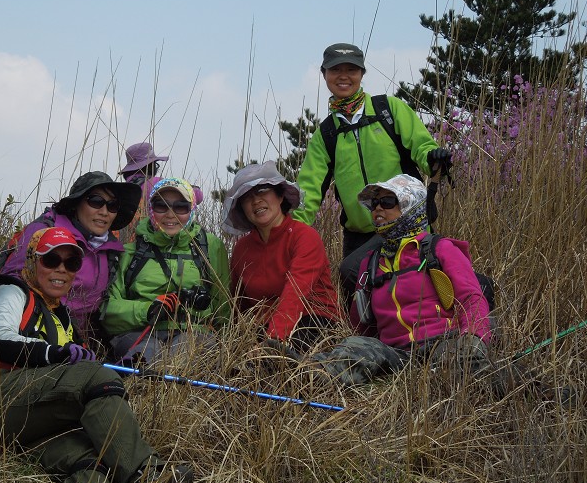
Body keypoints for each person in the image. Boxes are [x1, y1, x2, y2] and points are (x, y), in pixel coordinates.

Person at [0, 227, 193, 483]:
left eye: (71, 263)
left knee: (86, 457)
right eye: (50, 260)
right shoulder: (11, 292)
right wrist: (55, 353)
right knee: (97, 376)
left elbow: (80, 368)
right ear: (31, 261)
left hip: (31, 420)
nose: (61, 269)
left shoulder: (61, 317)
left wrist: (117, 365)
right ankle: (144, 476)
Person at [291, 43, 451, 291]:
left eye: (351, 70)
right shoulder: (326, 134)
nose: (344, 76)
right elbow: (309, 190)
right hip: (358, 235)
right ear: (324, 74)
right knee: (355, 301)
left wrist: (432, 157)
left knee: (364, 276)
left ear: (362, 74)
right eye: (336, 70)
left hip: (404, 223)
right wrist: (292, 232)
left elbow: (421, 146)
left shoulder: (389, 109)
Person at [312, 174, 491, 386]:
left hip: (444, 344)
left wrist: (473, 339)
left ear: (410, 207)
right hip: (397, 355)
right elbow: (361, 326)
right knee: (355, 347)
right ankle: (308, 373)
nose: (377, 209)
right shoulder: (370, 263)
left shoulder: (439, 249)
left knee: (479, 374)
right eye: (374, 204)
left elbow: (471, 298)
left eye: (387, 202)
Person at [0, 172, 141, 347]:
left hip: (82, 340)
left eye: (112, 205)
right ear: (76, 203)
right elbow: (10, 284)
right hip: (37, 336)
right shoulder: (43, 233)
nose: (104, 212)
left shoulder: (111, 250)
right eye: (96, 202)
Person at [102, 177, 230, 363]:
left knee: (185, 352)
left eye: (181, 206)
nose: (171, 214)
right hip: (140, 333)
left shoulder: (210, 247)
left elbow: (223, 307)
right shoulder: (131, 252)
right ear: (151, 209)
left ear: (192, 209)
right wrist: (148, 310)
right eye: (161, 206)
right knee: (149, 356)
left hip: (193, 332)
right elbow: (109, 312)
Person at [221, 161, 340, 353]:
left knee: (284, 357)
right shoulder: (242, 249)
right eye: (247, 197)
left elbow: (296, 291)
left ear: (280, 195)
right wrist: (236, 343)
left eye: (263, 191)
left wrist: (273, 342)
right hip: (263, 326)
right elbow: (239, 306)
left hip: (313, 320)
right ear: (241, 208)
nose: (256, 201)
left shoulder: (304, 236)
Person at [118, 141, 204, 243]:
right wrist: (188, 186)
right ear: (152, 165)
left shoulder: (124, 190)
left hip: (126, 241)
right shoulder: (155, 183)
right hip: (151, 241)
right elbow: (197, 196)